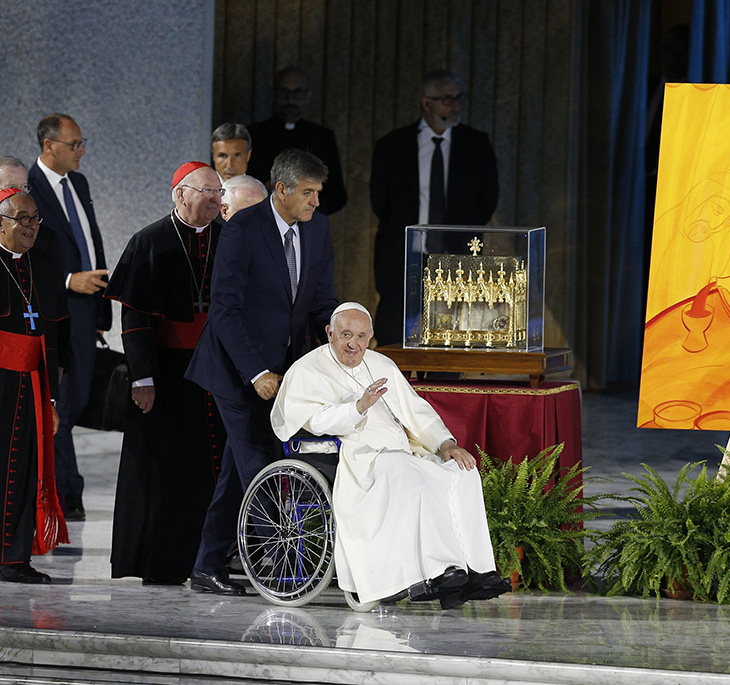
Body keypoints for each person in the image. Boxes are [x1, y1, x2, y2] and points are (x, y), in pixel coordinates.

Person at [271, 302, 510, 609]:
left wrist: (446, 444)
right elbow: (314, 421)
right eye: (345, 335)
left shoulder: (381, 364)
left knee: (462, 472)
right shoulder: (307, 370)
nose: (353, 344)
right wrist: (357, 407)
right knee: (406, 472)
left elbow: (417, 412)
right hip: (360, 457)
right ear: (330, 333)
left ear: (370, 336)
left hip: (404, 452)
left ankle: (476, 571)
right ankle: (437, 571)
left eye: (360, 336)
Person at [185, 148, 340, 595]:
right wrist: (256, 373)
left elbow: (320, 301)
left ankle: (208, 563)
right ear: (282, 190)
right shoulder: (243, 230)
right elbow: (225, 312)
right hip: (237, 371)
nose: (315, 202)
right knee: (260, 465)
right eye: (308, 193)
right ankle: (286, 566)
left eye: (318, 193)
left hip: (285, 372)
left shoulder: (318, 228)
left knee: (239, 470)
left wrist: (343, 338)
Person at [104, 162, 228, 584]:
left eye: (219, 192)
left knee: (212, 464)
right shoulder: (150, 241)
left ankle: (213, 558)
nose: (216, 200)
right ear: (180, 194)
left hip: (215, 368)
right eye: (207, 191)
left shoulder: (227, 239)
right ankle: (162, 562)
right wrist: (142, 378)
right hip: (166, 373)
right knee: (165, 469)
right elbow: (135, 317)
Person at [370, 70, 499, 345]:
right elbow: (380, 201)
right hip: (405, 257)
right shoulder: (392, 145)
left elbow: (487, 199)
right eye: (446, 99)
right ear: (427, 103)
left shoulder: (476, 144)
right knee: (396, 335)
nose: (455, 105)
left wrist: (461, 237)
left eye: (458, 98)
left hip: (457, 257)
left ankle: (443, 389)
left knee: (450, 338)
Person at [29, 113, 112, 521]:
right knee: (57, 401)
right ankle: (64, 490)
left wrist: (98, 308)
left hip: (85, 308)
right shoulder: (30, 189)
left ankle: (64, 487)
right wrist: (68, 280)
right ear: (50, 146)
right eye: (74, 144)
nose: (81, 151)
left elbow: (89, 240)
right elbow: (30, 254)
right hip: (56, 307)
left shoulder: (78, 183)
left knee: (75, 400)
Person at [0, 188, 70, 583]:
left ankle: (15, 558)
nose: (31, 227)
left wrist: (52, 397)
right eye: (21, 219)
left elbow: (53, 334)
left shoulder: (41, 265)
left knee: (27, 467)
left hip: (32, 384)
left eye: (35, 219)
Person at [247, 67, 347, 216]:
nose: (290, 100)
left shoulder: (322, 137)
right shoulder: (254, 135)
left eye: (297, 93)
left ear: (308, 95)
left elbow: (337, 194)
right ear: (274, 94)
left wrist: (306, 209)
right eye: (284, 92)